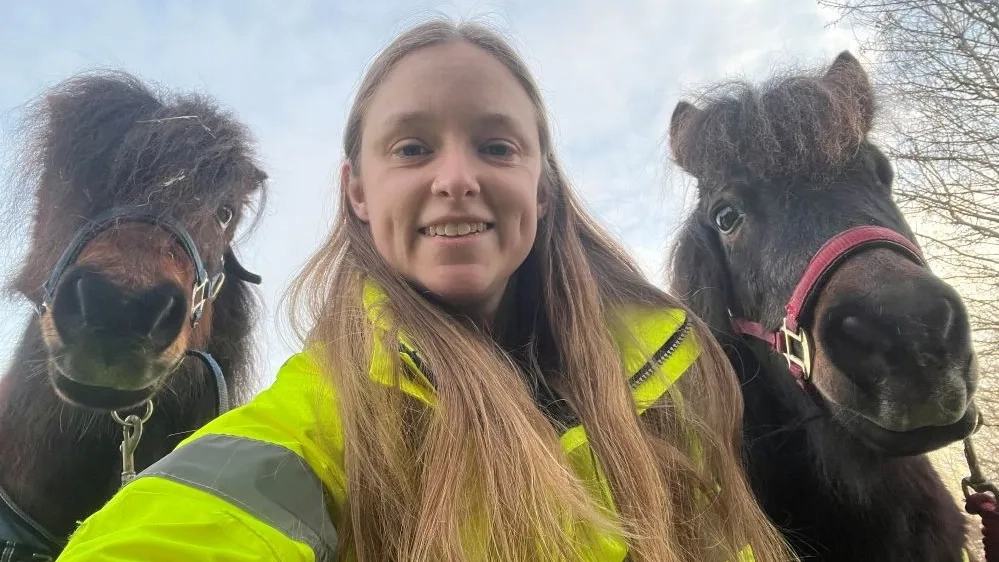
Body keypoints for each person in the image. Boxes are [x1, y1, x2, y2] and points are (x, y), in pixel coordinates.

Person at [54, 18, 792, 562]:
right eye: (411, 148)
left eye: (496, 146)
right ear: (359, 194)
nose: (455, 178)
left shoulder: (678, 376)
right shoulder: (327, 412)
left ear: (539, 188)